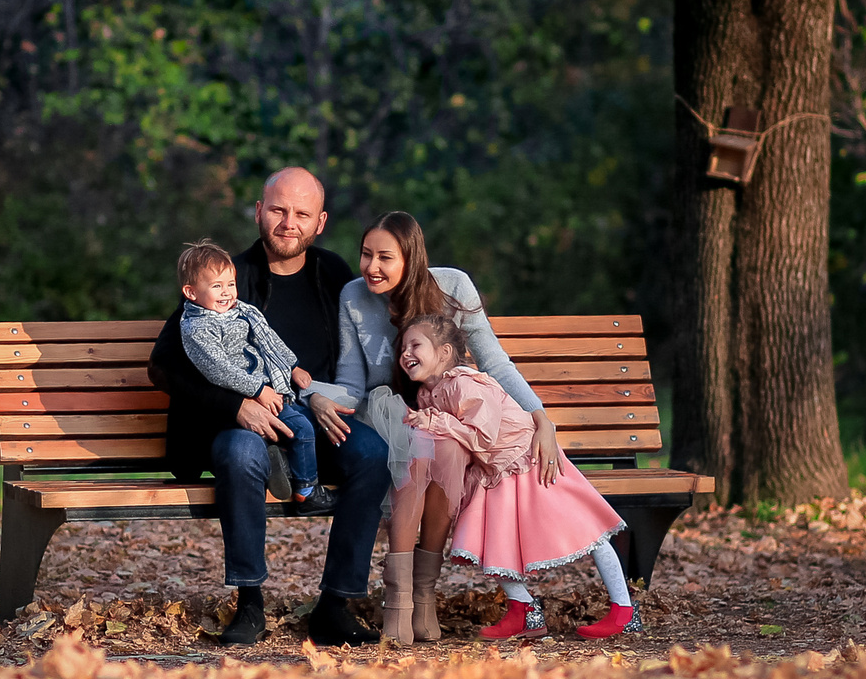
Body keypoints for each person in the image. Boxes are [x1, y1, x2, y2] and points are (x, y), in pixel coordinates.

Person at [146, 168, 392, 647]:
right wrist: (235, 405)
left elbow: (379, 327)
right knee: (240, 454)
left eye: (302, 213)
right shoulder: (225, 278)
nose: (288, 223)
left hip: (313, 414)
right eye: (278, 210)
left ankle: (334, 606)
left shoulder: (333, 273)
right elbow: (163, 365)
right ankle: (249, 602)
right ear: (260, 212)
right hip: (245, 420)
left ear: (320, 222)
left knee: (372, 455)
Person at [313, 210, 572, 643]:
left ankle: (424, 593)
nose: (371, 267)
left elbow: (494, 363)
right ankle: (398, 597)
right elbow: (352, 383)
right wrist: (317, 395)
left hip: (447, 417)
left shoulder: (453, 287)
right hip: (388, 412)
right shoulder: (353, 296)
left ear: (410, 258)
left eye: (385, 257)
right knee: (417, 448)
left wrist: (539, 416)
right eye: (366, 254)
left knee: (446, 448)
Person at [393, 313, 639, 641]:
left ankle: (624, 610)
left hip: (529, 459)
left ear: (444, 352)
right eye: (403, 347)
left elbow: (483, 436)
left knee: (585, 527)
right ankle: (523, 609)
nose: (406, 353)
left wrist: (434, 422)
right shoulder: (428, 394)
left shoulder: (466, 384)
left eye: (415, 345)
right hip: (493, 472)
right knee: (491, 537)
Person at [174, 239, 316, 504]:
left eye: (231, 284)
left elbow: (269, 339)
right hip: (238, 401)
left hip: (267, 389)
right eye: (217, 286)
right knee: (300, 428)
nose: (227, 292)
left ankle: (283, 466)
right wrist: (259, 390)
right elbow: (219, 370)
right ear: (191, 292)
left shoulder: (243, 311)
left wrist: (292, 366)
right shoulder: (197, 328)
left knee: (302, 424)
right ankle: (307, 489)